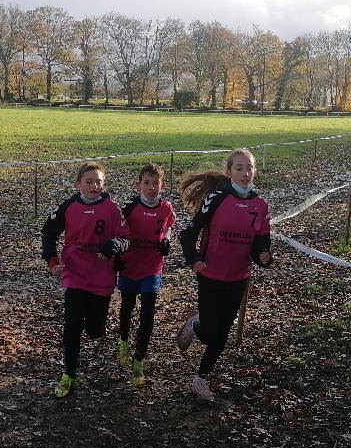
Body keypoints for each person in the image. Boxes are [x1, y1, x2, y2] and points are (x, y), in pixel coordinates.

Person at [176, 148, 274, 403]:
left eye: (249, 167)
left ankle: (200, 379)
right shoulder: (217, 199)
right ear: (229, 172)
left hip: (238, 278)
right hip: (210, 274)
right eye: (239, 168)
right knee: (210, 333)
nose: (245, 173)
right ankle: (195, 323)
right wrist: (194, 258)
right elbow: (188, 233)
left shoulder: (261, 205)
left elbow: (261, 244)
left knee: (221, 335)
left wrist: (264, 257)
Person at [41, 161, 130, 397]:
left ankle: (95, 330)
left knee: (94, 331)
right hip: (75, 274)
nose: (94, 186)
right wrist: (52, 261)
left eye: (98, 182)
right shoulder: (68, 206)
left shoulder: (112, 209)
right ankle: (68, 374)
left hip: (101, 277)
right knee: (72, 327)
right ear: (78, 184)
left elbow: (126, 239)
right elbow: (48, 233)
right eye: (88, 181)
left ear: (104, 184)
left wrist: (113, 245)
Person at [116, 163, 177, 386]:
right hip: (130, 265)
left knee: (147, 314)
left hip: (152, 267)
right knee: (127, 307)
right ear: (139, 185)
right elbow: (117, 228)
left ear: (163, 185)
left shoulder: (166, 208)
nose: (151, 188)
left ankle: (139, 361)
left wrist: (167, 240)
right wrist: (117, 252)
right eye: (147, 183)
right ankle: (123, 339)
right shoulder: (129, 207)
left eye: (155, 183)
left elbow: (169, 225)